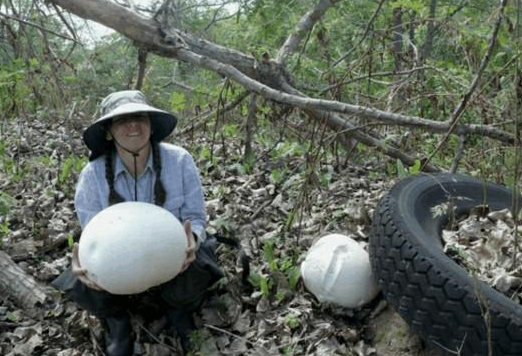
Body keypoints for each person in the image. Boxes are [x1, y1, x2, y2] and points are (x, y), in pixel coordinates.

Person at [52, 90, 223, 356]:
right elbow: (93, 231)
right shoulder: (93, 174)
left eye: (140, 117)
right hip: (121, 262)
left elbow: (196, 217)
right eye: (122, 120)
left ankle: (180, 312)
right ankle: (116, 321)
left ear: (151, 123)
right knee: (79, 279)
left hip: (173, 256)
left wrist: (193, 239)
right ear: (109, 129)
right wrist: (86, 260)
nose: (133, 125)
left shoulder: (179, 160)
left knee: (201, 263)